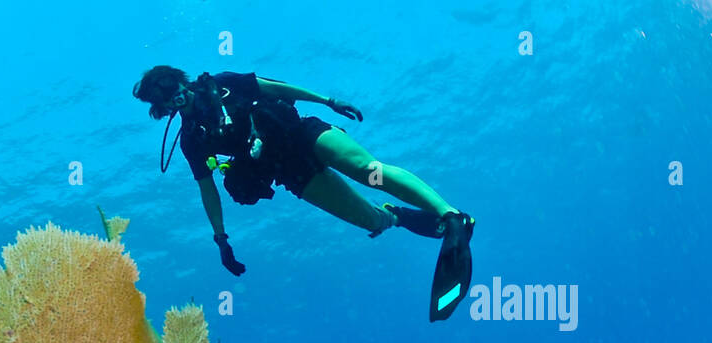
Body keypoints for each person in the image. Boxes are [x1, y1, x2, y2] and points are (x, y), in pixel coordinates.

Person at [132, 66, 476, 320]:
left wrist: (329, 101)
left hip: (302, 133)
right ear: (162, 108)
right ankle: (397, 215)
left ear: (180, 78)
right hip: (288, 172)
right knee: (371, 220)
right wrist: (220, 239)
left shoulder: (223, 84)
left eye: (172, 85)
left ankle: (451, 216)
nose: (176, 94)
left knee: (367, 170)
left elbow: (276, 89)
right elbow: (208, 190)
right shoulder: (192, 139)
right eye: (164, 97)